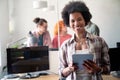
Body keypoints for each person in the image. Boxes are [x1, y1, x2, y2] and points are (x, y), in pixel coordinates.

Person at [59, 1, 110, 80]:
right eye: (72, 21)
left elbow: (108, 69)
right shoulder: (65, 46)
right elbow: (61, 73)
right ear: (68, 23)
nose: (76, 23)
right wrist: (70, 69)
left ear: (85, 20)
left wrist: (98, 69)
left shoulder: (100, 41)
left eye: (79, 19)